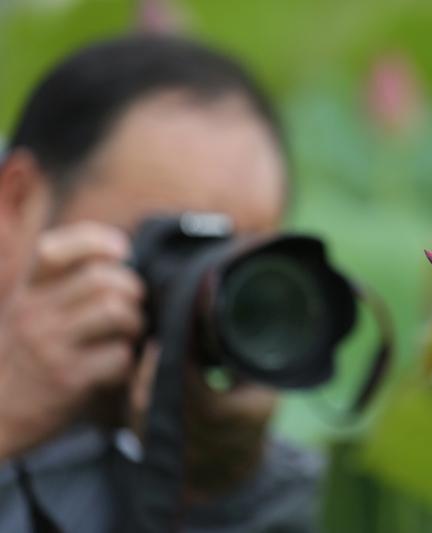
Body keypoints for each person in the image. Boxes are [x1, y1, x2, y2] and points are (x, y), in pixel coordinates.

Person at [0, 36, 322, 531]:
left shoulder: (292, 485)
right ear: (17, 202)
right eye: (171, 244)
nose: (202, 292)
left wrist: (229, 489)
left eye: (234, 261)